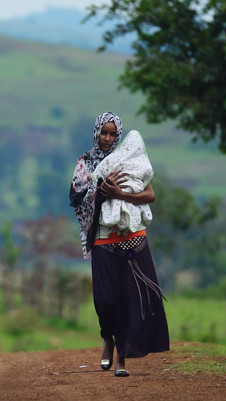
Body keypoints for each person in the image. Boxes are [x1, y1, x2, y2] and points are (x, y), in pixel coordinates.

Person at [69, 112, 170, 376]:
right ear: (96, 133)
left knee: (128, 300)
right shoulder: (85, 162)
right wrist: (99, 192)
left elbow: (149, 194)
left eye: (114, 134)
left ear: (119, 136)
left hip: (132, 239)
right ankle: (108, 338)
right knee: (104, 300)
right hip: (102, 239)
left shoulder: (129, 160)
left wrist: (120, 194)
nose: (108, 138)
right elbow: (76, 198)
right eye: (104, 132)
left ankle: (122, 359)